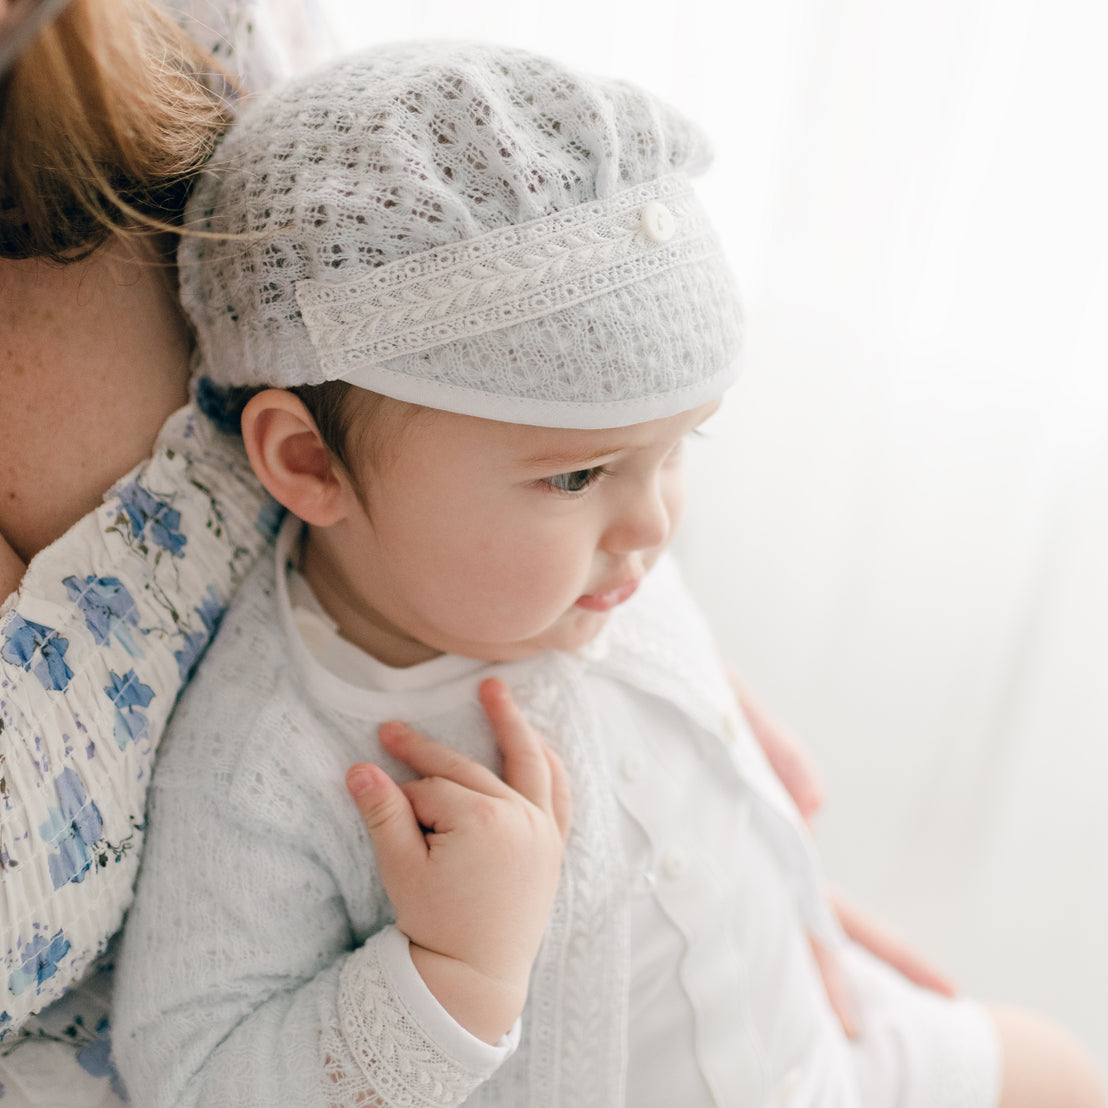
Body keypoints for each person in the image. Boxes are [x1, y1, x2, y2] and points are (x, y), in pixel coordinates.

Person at [109, 42, 1104, 1107]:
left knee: (1056, 1068)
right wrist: (454, 976)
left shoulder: (585, 572)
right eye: (578, 474)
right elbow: (194, 1072)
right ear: (309, 465)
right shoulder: (273, 762)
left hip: (828, 1041)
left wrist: (776, 886)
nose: (653, 523)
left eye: (679, 449)